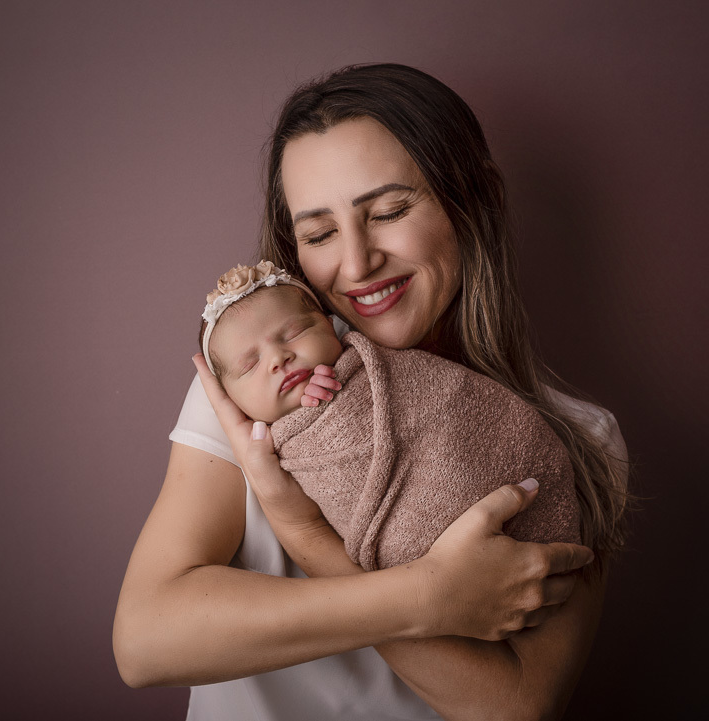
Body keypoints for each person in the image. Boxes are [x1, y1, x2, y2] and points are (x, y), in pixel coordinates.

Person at [113, 64, 629, 721]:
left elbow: (514, 705)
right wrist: (429, 597)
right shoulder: (262, 386)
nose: (355, 265)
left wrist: (314, 545)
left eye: (387, 212)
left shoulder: (582, 440)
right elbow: (145, 640)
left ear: (473, 203)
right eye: (320, 234)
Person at [199, 260, 581, 571]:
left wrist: (333, 396)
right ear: (229, 398)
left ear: (331, 326)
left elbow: (446, 411)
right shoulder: (244, 437)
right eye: (250, 366)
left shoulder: (368, 368)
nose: (278, 358)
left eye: (295, 332)